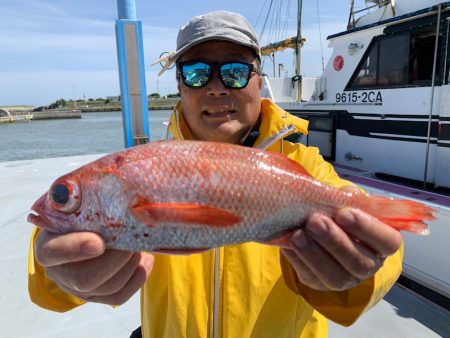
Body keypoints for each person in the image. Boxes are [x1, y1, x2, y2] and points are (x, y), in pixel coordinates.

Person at [28, 11, 403, 338]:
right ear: (178, 85)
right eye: (195, 73)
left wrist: (357, 273)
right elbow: (47, 276)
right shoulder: (146, 168)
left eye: (236, 72)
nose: (216, 87)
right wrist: (62, 276)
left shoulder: (306, 166)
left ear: (259, 79)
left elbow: (386, 253)